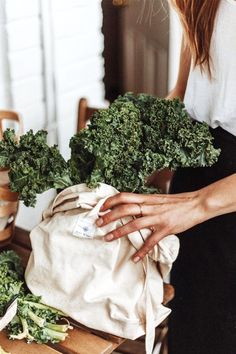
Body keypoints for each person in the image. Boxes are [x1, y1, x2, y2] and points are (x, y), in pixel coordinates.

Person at [96, 0, 236, 353]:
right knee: (192, 318)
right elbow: (183, 93)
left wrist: (198, 204)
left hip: (219, 196)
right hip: (197, 170)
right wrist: (136, 155)